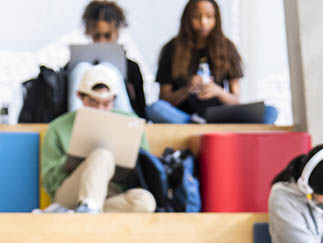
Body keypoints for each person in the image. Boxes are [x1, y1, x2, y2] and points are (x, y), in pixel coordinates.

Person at [40, 64, 156, 214]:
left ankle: (82, 212)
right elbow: (49, 182)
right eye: (93, 102)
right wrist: (78, 157)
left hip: (114, 190)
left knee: (145, 202)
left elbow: (146, 167)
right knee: (102, 154)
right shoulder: (57, 127)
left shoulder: (130, 123)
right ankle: (87, 206)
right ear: (80, 97)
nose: (100, 109)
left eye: (107, 103)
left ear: (114, 99)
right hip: (71, 191)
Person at [149, 0, 244, 124]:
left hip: (219, 117)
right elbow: (164, 98)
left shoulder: (227, 47)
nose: (203, 22)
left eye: (209, 17)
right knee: (155, 108)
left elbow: (236, 99)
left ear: (216, 19)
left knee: (270, 111)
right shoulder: (171, 48)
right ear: (187, 19)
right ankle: (194, 123)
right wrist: (187, 89)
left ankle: (199, 124)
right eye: (196, 17)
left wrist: (218, 91)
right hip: (183, 117)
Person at [76, 2, 148, 119]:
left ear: (117, 33)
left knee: (108, 67)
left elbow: (141, 109)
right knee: (80, 68)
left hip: (121, 122)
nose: (102, 41)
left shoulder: (132, 67)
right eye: (96, 36)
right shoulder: (76, 67)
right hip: (86, 121)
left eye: (107, 36)